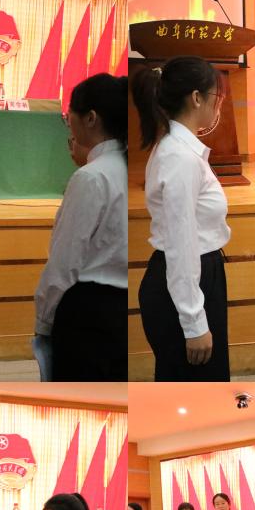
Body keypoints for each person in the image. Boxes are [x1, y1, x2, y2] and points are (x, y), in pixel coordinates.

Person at [130, 56, 231, 379]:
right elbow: (181, 244)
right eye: (216, 96)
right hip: (186, 284)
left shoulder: (183, 151)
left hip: (197, 277)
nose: (218, 105)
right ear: (197, 98)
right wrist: (194, 322)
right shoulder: (179, 157)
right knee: (193, 385)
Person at [34, 74, 128, 380]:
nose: (68, 122)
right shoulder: (129, 168)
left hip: (88, 314)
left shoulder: (92, 177)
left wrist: (44, 321)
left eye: (68, 115)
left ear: (90, 118)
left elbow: (64, 262)